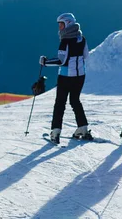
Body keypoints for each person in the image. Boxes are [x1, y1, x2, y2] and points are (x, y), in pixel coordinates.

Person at [39, 13, 92, 144]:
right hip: (80, 76)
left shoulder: (65, 40)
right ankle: (83, 128)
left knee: (60, 103)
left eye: (61, 24)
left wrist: (45, 62)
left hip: (66, 76)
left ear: (68, 23)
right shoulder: (82, 38)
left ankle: (55, 132)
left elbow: (61, 61)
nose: (59, 28)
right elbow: (86, 56)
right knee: (75, 100)